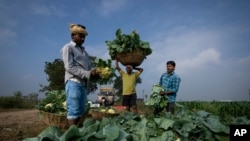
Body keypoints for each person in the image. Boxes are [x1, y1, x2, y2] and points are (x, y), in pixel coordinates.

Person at [61, 23, 99, 126]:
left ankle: (79, 134)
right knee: (73, 110)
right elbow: (69, 67)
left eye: (84, 37)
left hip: (83, 84)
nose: (83, 39)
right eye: (80, 36)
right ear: (73, 35)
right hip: (73, 82)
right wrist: (87, 73)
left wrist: (94, 71)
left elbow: (89, 67)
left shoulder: (84, 52)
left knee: (81, 110)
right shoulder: (68, 47)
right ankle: (72, 135)